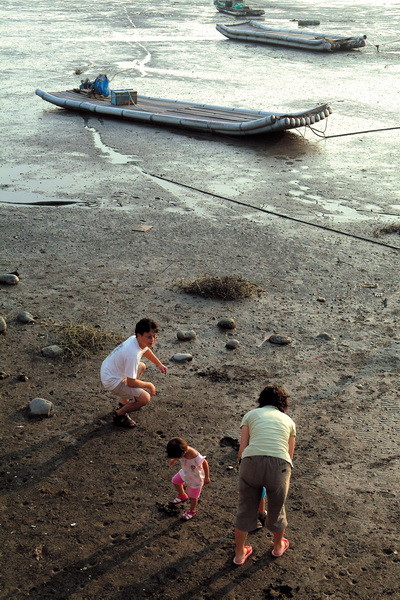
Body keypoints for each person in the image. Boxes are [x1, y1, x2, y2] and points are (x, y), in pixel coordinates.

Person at [233, 385, 296, 565]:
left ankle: (239, 554)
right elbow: (289, 455)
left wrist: (242, 465)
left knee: (245, 510)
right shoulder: (289, 421)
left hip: (250, 462)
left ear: (261, 400)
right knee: (277, 509)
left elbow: (242, 447)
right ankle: (277, 547)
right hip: (279, 465)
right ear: (282, 403)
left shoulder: (251, 415)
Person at [100, 318, 167, 428]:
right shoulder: (132, 354)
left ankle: (124, 401)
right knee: (145, 398)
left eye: (155, 337)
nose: (153, 340)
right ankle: (119, 415)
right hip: (112, 381)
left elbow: (145, 350)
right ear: (139, 335)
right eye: (149, 337)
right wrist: (149, 385)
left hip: (108, 370)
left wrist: (159, 364)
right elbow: (131, 382)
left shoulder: (134, 340)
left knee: (141, 366)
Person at [167, 437, 210, 521]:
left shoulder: (194, 455)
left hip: (195, 479)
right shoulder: (181, 449)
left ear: (183, 452)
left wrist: (207, 477)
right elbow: (179, 455)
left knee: (193, 496)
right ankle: (182, 495)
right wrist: (174, 459)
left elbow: (205, 463)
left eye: (177, 457)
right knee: (175, 481)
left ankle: (192, 510)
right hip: (185, 472)